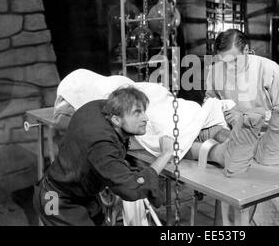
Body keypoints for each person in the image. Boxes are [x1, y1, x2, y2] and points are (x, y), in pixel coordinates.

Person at [203, 29, 279, 226]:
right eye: (224, 61)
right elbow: (210, 102)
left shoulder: (268, 70)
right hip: (235, 144)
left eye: (234, 61)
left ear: (247, 51)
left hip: (271, 145)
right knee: (234, 210)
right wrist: (218, 117)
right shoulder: (215, 70)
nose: (230, 67)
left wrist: (247, 118)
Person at [33, 86, 174, 226]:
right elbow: (131, 188)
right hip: (57, 201)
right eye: (137, 113)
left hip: (82, 195)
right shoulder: (101, 144)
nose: (146, 118)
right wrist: (166, 153)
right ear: (116, 120)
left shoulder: (97, 106)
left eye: (143, 111)